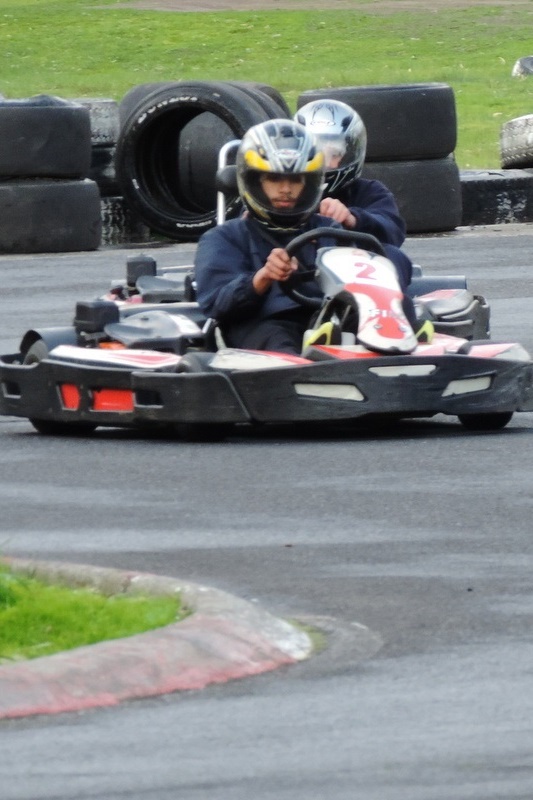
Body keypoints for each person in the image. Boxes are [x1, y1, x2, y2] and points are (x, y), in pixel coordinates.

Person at [194, 119, 345, 355]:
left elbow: (379, 262)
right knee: (278, 338)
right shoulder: (225, 238)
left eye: (295, 180)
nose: (285, 189)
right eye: (274, 179)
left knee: (388, 310)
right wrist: (263, 278)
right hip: (264, 326)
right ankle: (306, 367)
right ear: (253, 181)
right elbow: (216, 304)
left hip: (326, 319)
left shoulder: (330, 230)